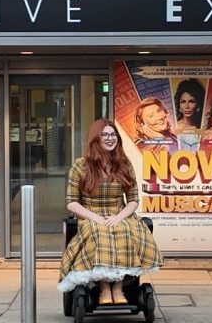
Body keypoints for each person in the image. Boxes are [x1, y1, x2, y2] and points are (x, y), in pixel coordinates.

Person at [58, 118, 163, 305]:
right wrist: (96, 218)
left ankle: (118, 288)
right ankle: (104, 290)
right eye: (105, 135)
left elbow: (133, 201)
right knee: (100, 232)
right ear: (95, 139)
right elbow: (72, 203)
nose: (109, 138)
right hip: (90, 214)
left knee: (124, 230)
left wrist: (119, 217)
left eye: (113, 134)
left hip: (119, 213)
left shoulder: (124, 164)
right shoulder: (80, 166)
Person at [173, 79, 205, 151]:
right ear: (179, 105)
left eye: (191, 101)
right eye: (183, 102)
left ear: (198, 104)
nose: (187, 106)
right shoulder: (175, 127)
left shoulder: (204, 127)